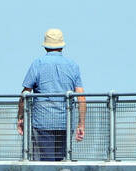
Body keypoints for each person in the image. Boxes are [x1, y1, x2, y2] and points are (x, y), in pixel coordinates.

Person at [17, 28, 86, 161]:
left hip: (42, 121)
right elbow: (81, 97)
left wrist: (21, 117)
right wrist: (81, 124)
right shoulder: (73, 65)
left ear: (45, 46)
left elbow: (25, 93)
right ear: (62, 46)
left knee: (44, 163)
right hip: (65, 121)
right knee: (61, 162)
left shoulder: (37, 64)